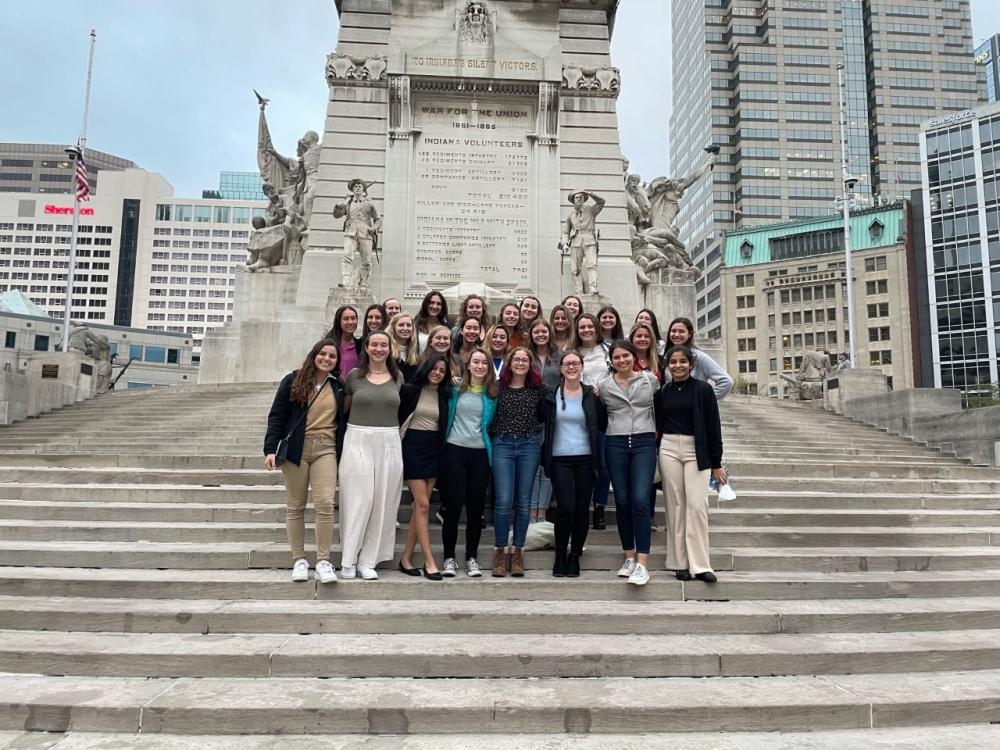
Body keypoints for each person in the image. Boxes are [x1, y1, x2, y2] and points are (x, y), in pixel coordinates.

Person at [264, 338, 347, 584]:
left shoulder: (338, 387)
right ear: (314, 355)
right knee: (296, 505)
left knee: (324, 503)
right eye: (323, 354)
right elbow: (277, 416)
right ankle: (299, 559)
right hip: (297, 449)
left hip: (326, 449)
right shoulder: (293, 380)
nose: (327, 359)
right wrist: (270, 449)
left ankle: (323, 560)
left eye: (332, 356)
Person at [654, 345, 726, 584]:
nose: (677, 366)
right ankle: (679, 563)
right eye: (672, 362)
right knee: (675, 506)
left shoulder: (703, 390)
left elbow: (713, 427)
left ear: (691, 364)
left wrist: (716, 462)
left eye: (682, 361)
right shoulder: (662, 393)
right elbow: (660, 426)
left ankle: (701, 564)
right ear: (667, 366)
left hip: (698, 450)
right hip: (669, 448)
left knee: (697, 506)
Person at [338, 332, 405, 580]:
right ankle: (349, 559)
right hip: (358, 439)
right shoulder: (354, 377)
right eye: (374, 344)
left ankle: (368, 560)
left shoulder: (397, 377)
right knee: (358, 500)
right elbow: (342, 411)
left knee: (383, 503)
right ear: (366, 348)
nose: (379, 349)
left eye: (384, 345)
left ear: (390, 348)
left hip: (389, 442)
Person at [540, 349, 606, 577]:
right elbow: (541, 418)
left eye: (575, 363)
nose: (571, 367)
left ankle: (575, 555)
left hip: (586, 459)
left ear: (582, 367)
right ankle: (560, 555)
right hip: (560, 459)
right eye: (567, 363)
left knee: (581, 510)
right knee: (565, 508)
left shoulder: (590, 395)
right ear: (561, 368)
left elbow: (602, 422)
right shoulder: (551, 395)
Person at [598, 340, 659, 586]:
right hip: (616, 442)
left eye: (626, 356)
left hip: (644, 441)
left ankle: (643, 563)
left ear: (634, 357)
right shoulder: (603, 386)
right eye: (617, 357)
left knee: (641, 500)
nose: (622, 360)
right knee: (622, 501)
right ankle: (628, 557)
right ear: (611, 361)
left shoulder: (650, 380)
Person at [440, 349, 498, 578]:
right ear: (468, 365)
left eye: (485, 362)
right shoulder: (454, 389)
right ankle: (449, 558)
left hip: (480, 453)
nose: (480, 365)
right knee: (453, 507)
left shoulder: (493, 394)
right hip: (454, 450)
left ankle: (471, 557)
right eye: (476, 361)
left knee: (475, 509)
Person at [489, 346, 545, 578]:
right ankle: (500, 551)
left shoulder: (538, 390)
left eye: (525, 360)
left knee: (523, 502)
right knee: (503, 500)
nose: (521, 363)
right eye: (516, 359)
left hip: (528, 445)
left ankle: (518, 551)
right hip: (502, 444)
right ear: (510, 363)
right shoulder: (497, 388)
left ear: (530, 364)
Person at [398, 354, 451, 580]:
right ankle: (429, 560)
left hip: (434, 449)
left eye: (442, 370)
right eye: (434, 368)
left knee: (420, 508)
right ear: (427, 368)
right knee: (423, 504)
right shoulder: (410, 390)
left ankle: (406, 558)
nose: (437, 373)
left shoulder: (444, 395)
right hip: (412, 447)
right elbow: (398, 418)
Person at [575, 312, 612, 530]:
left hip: (603, 408)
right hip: (578, 408)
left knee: (604, 463)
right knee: (584, 460)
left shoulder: (607, 350)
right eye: (582, 327)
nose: (586, 330)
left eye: (590, 326)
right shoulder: (572, 352)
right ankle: (582, 504)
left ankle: (599, 506)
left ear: (596, 328)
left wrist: (602, 388)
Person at [665, 317, 734, 400]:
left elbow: (726, 381)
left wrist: (704, 400)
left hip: (693, 411)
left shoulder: (698, 356)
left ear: (689, 334)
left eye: (681, 331)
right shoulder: (665, 356)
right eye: (673, 331)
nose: (676, 334)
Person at [560, 190, 606, 295]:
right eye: (576, 197)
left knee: (592, 265)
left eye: (581, 197)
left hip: (589, 240)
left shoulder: (591, 210)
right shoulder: (571, 215)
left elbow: (602, 202)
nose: (578, 199)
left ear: (584, 199)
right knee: (575, 269)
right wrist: (565, 243)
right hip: (576, 242)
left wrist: (590, 193)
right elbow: (565, 232)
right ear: (573, 200)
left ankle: (593, 287)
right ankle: (579, 291)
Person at [327, 305, 361, 379]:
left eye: (353, 318)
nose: (350, 322)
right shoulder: (329, 344)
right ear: (338, 321)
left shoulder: (359, 344)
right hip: (336, 388)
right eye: (346, 319)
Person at [528, 319, 560, 389]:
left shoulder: (560, 355)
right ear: (531, 335)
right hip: (531, 398)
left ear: (550, 334)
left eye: (544, 331)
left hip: (553, 398)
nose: (540, 334)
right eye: (536, 332)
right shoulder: (526, 356)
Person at [388, 312, 419, 382]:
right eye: (401, 325)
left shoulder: (415, 353)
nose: (405, 328)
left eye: (408, 325)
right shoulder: (387, 351)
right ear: (393, 327)